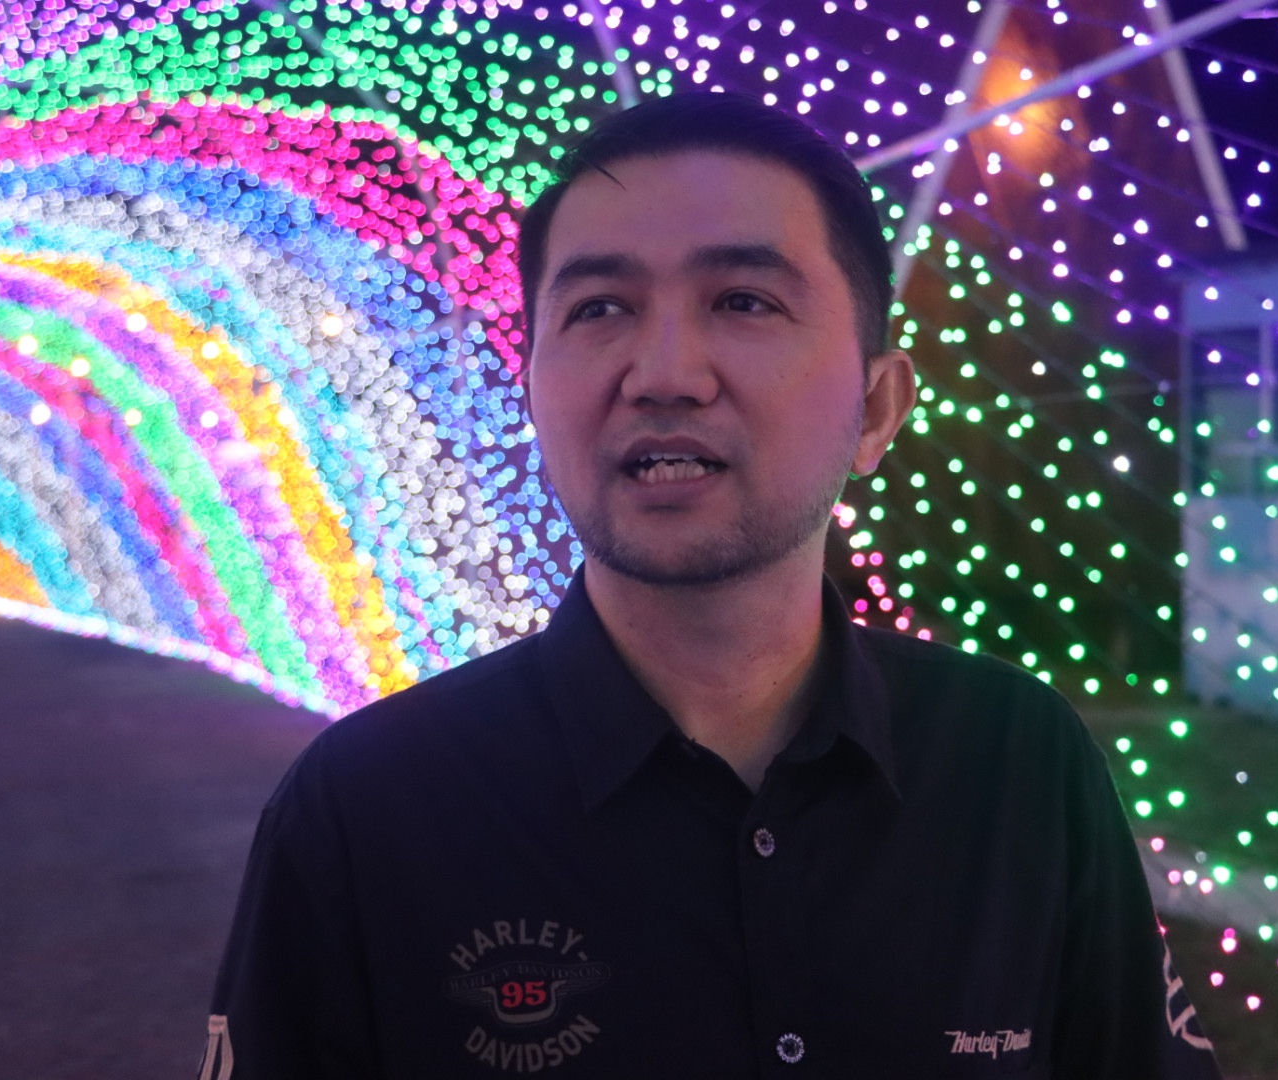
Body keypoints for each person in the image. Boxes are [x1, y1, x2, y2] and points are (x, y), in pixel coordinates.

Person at [201, 91, 1223, 1078]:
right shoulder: (364, 814)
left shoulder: (1017, 768)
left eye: (744, 301)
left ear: (875, 409)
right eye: (600, 308)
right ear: (534, 395)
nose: (664, 375)